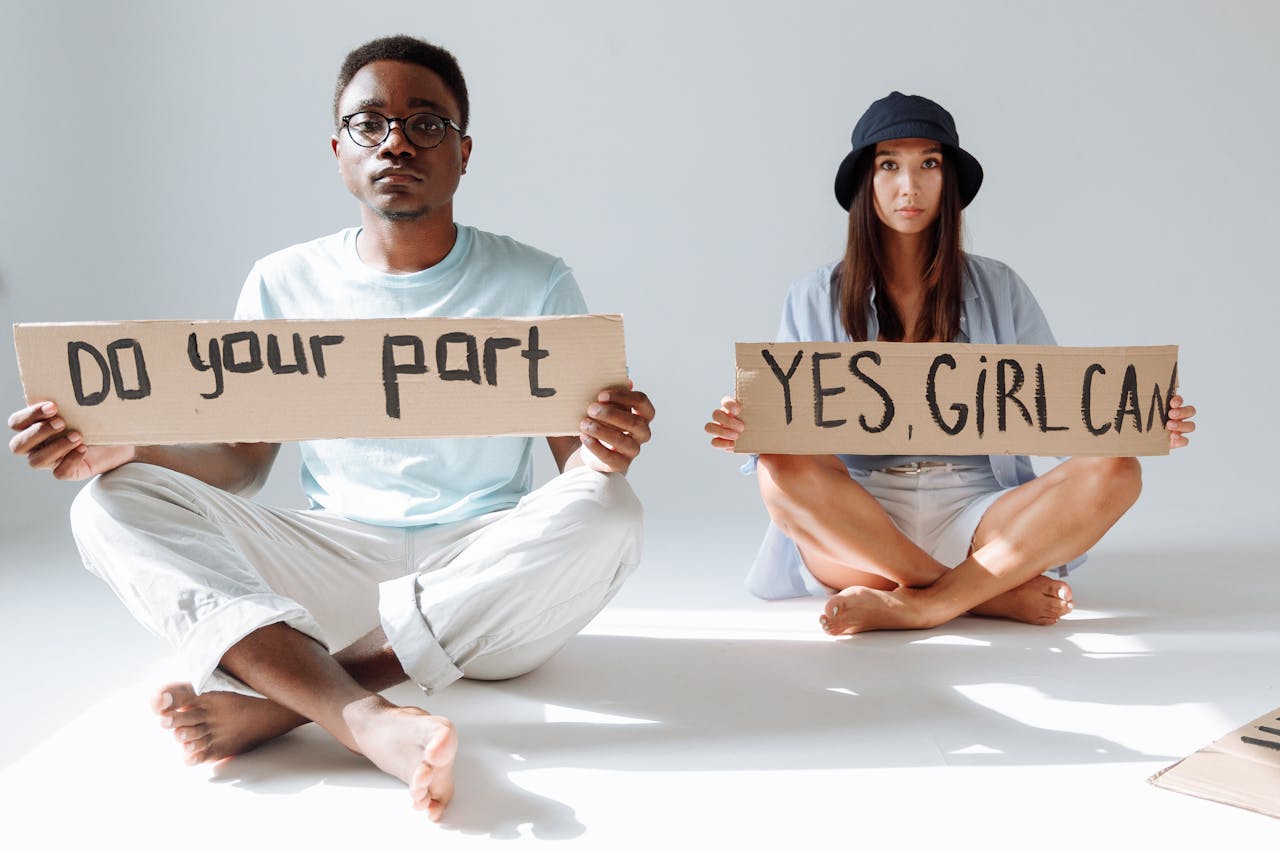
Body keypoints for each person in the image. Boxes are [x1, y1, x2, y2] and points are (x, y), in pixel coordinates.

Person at [7, 35, 655, 821]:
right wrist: (131, 446)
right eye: (369, 123)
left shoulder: (536, 278)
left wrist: (607, 445)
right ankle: (363, 718)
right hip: (334, 561)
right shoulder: (284, 280)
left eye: (427, 124)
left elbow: (578, 470)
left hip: (483, 572)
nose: (396, 142)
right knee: (107, 501)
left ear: (464, 152)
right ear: (338, 150)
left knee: (612, 510)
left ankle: (298, 699)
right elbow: (245, 461)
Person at [705, 91, 1194, 637]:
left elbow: (1060, 417)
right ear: (867, 183)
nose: (908, 186)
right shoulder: (814, 295)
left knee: (1120, 469)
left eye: (928, 165)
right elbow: (793, 440)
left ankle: (924, 604)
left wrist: (1137, 422)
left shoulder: (1000, 286)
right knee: (776, 468)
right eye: (888, 165)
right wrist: (755, 422)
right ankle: (983, 595)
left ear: (949, 180)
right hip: (861, 523)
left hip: (983, 513)